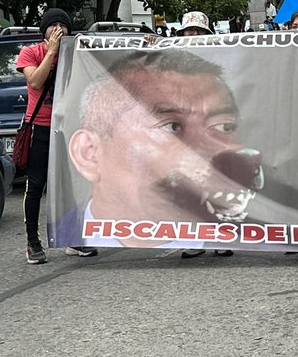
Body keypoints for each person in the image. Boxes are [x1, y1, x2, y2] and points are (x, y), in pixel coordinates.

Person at [56, 50, 267, 252]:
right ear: (89, 153)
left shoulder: (262, 235)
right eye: (171, 126)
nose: (220, 150)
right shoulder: (68, 231)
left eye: (224, 126)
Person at [18, 8, 90, 264]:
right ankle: (32, 242)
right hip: (40, 126)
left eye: (63, 24)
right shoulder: (30, 52)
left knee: (72, 184)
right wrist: (51, 51)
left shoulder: (76, 52)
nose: (58, 29)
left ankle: (73, 238)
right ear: (44, 30)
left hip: (68, 127)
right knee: (36, 185)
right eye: (53, 25)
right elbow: (36, 82)